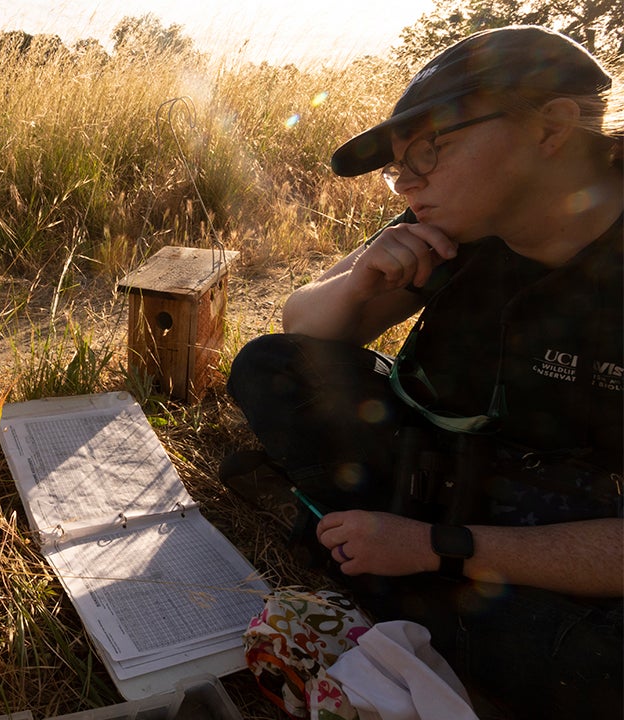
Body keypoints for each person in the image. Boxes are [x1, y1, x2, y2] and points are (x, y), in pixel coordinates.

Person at [225, 26, 621, 718]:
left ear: (551, 128)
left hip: (566, 524)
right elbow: (300, 330)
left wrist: (433, 549)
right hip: (437, 472)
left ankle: (368, 564)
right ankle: (418, 592)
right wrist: (360, 281)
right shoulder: (458, 229)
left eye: (432, 150)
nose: (407, 180)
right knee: (271, 369)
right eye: (398, 164)